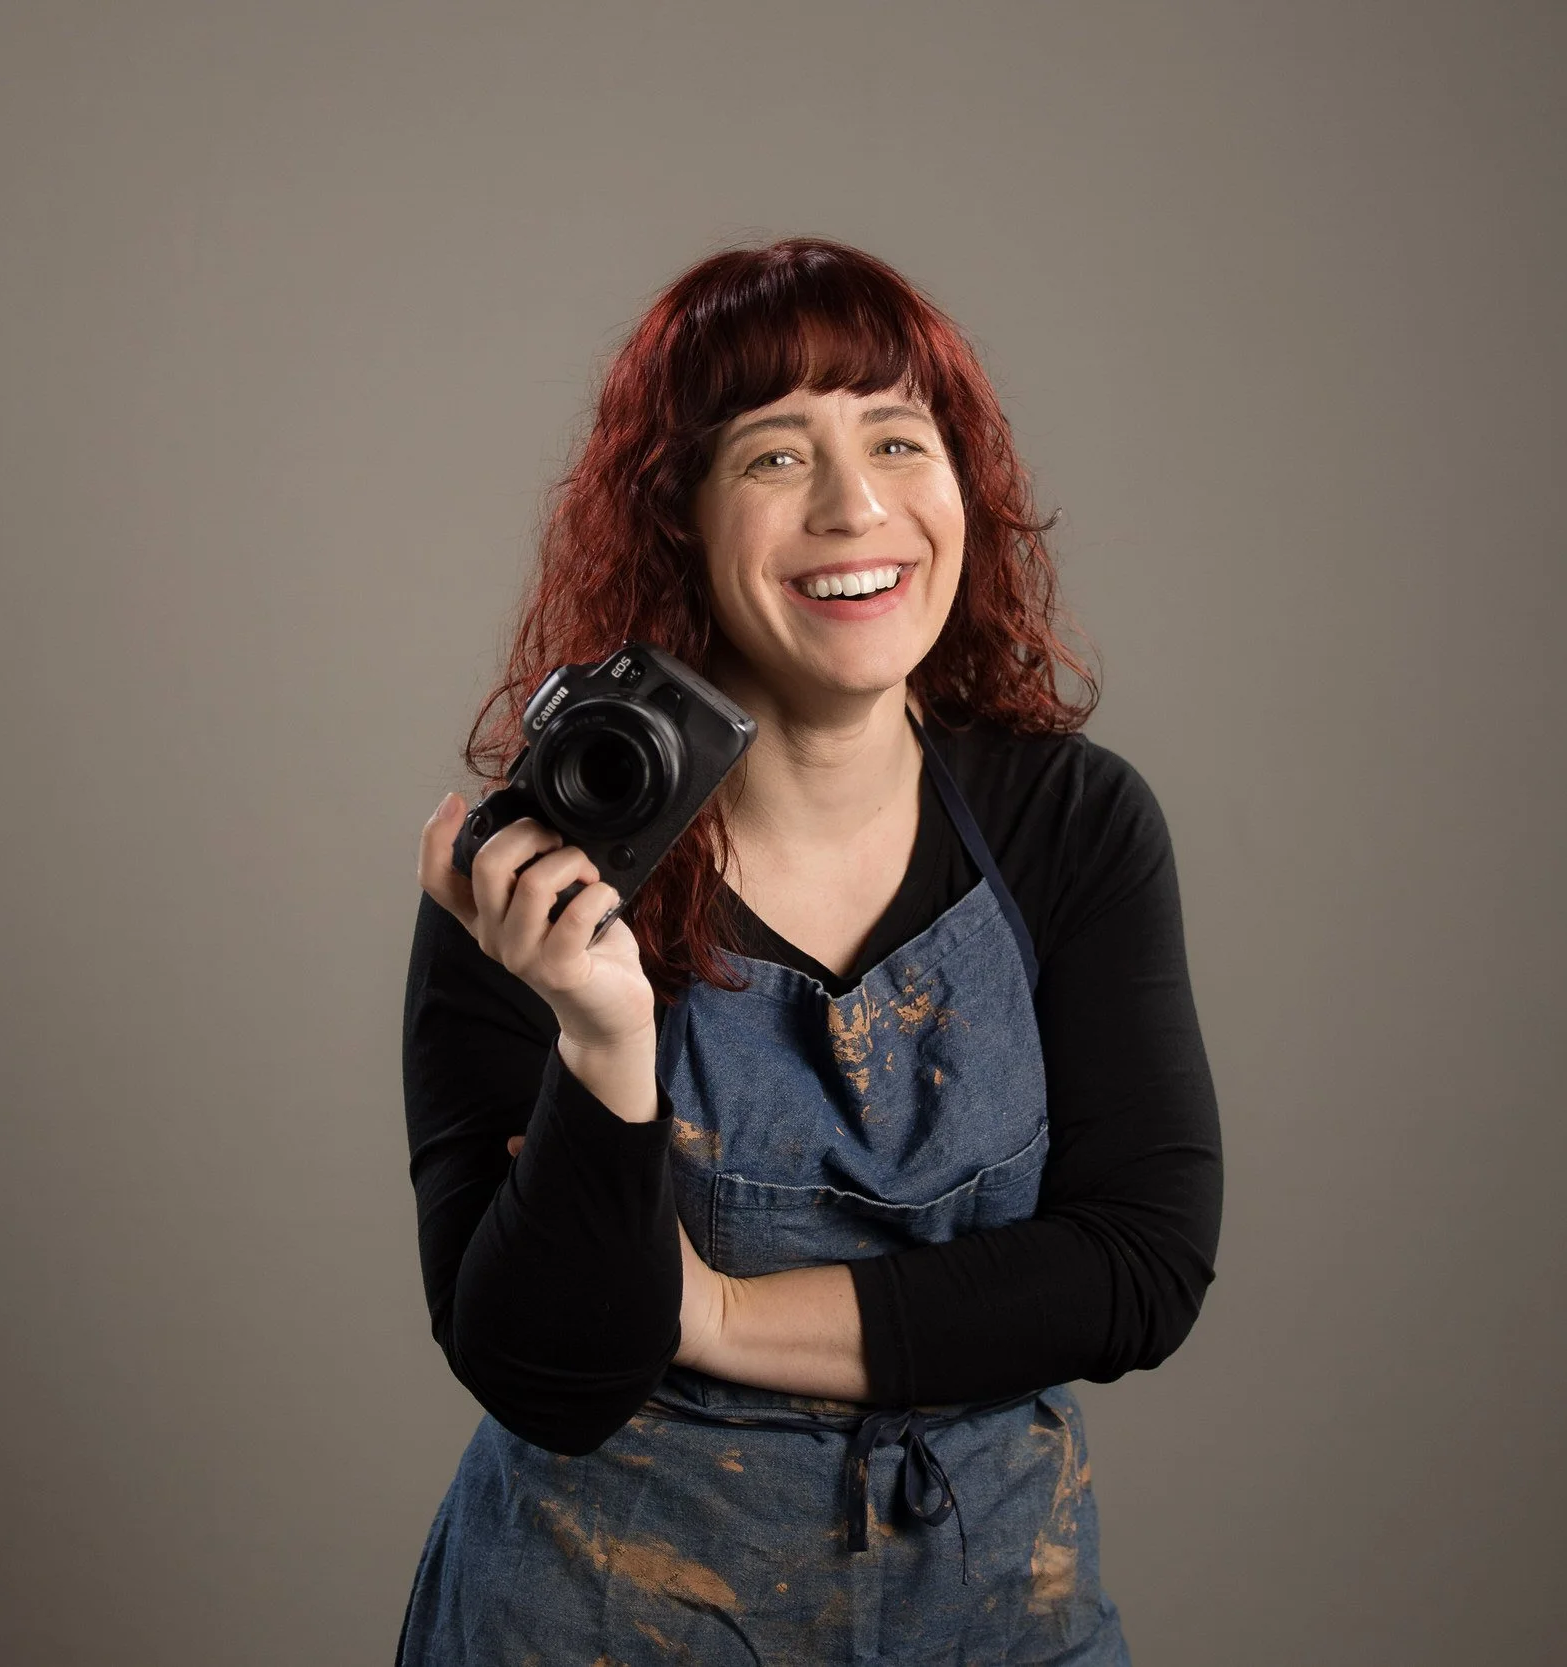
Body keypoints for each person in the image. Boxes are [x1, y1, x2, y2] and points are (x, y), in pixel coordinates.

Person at [397, 238, 1223, 1665]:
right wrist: (602, 1045)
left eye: (901, 440)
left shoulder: (1069, 822)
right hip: (599, 1622)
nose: (858, 506)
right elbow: (546, 1367)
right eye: (777, 457)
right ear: (679, 522)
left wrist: (710, 1309)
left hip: (989, 1614)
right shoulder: (541, 869)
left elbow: (1134, 1265)